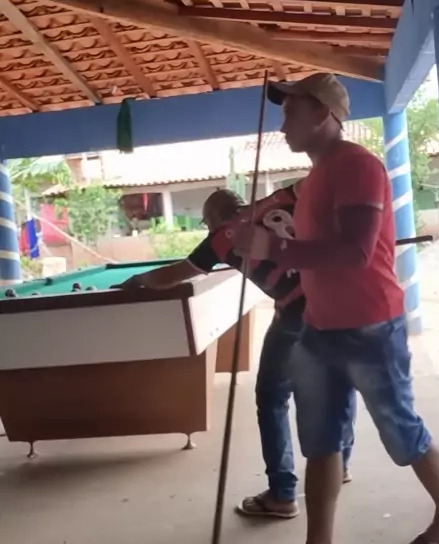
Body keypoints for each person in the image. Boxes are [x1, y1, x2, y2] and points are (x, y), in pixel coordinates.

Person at [233, 73, 439, 544]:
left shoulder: (358, 166)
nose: (283, 125)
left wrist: (274, 248)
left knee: (399, 428)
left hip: (370, 324)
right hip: (319, 326)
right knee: (321, 441)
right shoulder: (317, 176)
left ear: (323, 114)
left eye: (291, 113)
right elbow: (313, 252)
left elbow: (356, 252)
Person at [120, 186, 357, 517]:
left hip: (295, 314)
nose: (208, 230)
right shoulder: (281, 199)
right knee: (338, 383)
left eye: (207, 223)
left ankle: (282, 494)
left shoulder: (222, 237)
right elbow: (316, 190)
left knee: (272, 399)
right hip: (337, 304)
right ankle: (338, 465)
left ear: (214, 217)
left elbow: (174, 274)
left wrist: (139, 280)